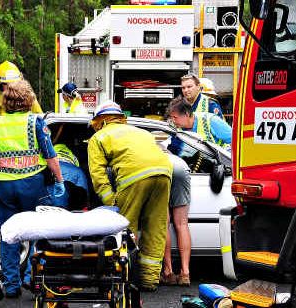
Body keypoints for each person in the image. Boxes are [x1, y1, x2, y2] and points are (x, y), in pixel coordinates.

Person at [0, 79, 64, 298]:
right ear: (29, 99)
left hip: (6, 186)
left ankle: (11, 284)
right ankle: (31, 277)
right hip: (34, 185)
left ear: (5, 101)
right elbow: (50, 156)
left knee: (8, 235)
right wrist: (59, 180)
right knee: (40, 232)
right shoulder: (35, 122)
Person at [87, 100, 172, 291]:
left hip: (133, 177)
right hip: (164, 173)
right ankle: (149, 281)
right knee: (155, 228)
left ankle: (122, 279)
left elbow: (98, 176)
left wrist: (112, 203)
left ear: (100, 121)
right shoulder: (141, 132)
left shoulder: (99, 137)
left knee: (125, 229)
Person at [162, 154, 192, 286]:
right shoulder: (171, 147)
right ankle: (185, 273)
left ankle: (168, 272)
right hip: (180, 166)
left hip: (160, 167)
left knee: (164, 223)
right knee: (182, 224)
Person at [167, 95, 232, 153]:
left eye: (175, 117)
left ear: (186, 114)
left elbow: (235, 141)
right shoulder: (178, 128)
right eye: (171, 118)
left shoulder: (211, 121)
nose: (173, 121)